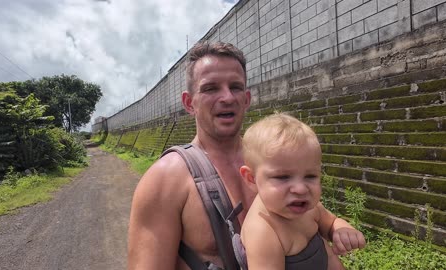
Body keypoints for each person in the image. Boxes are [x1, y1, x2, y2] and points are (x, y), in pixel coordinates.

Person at [127, 41, 346, 269]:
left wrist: (337, 228)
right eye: (211, 88)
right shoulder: (165, 179)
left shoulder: (275, 160)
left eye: (235, 87)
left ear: (247, 99)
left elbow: (316, 219)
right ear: (189, 103)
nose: (227, 97)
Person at [239, 113, 366, 270]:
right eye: (283, 177)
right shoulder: (263, 232)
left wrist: (342, 230)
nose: (300, 189)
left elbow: (331, 222)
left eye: (310, 176)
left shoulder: (309, 208)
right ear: (251, 179)